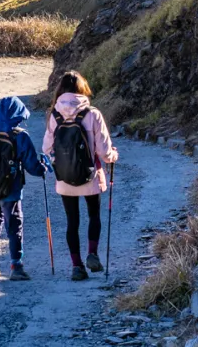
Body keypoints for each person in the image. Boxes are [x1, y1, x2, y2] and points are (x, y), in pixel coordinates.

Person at [42, 71, 118, 281]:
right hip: (90, 175)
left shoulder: (54, 115)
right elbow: (104, 151)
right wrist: (113, 157)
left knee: (71, 221)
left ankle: (77, 266)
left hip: (65, 177)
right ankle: (92, 254)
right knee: (94, 215)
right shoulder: (92, 113)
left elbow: (46, 148)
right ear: (82, 89)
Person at [0, 96, 49, 281]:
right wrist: (44, 167)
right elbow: (33, 167)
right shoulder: (20, 136)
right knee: (14, 225)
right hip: (11, 190)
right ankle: (17, 266)